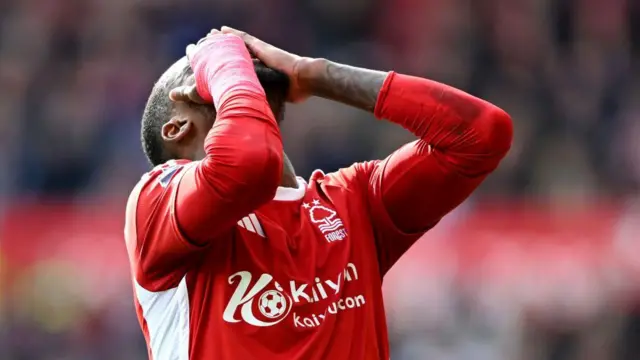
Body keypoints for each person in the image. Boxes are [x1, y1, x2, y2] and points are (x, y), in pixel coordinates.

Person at [124, 27, 513, 360]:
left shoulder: (353, 201)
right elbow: (246, 164)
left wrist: (317, 74)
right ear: (177, 128)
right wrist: (220, 55)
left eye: (244, 78)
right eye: (215, 82)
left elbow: (480, 136)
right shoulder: (156, 203)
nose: (239, 80)